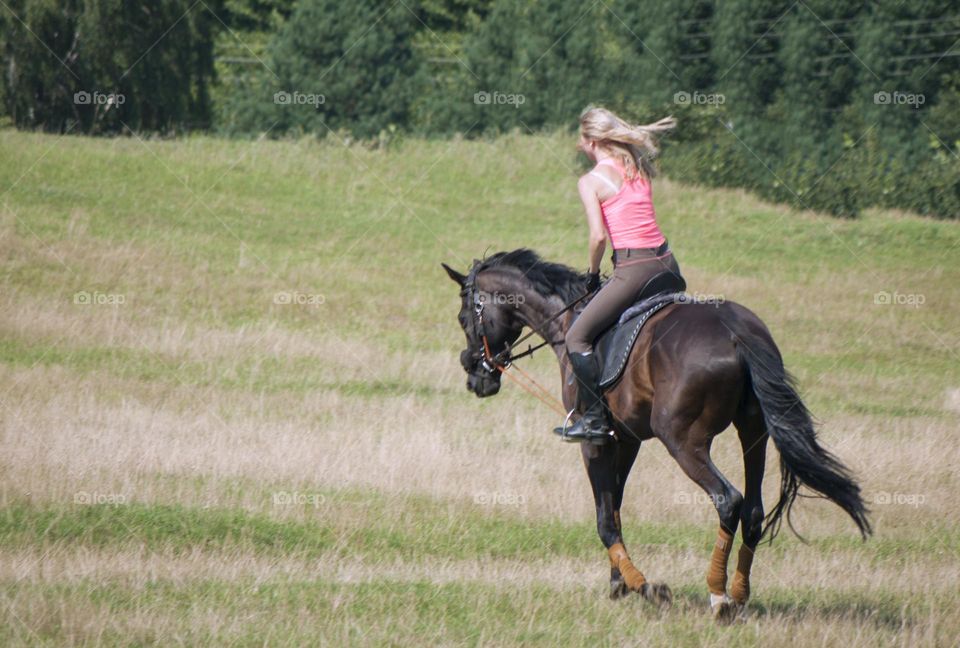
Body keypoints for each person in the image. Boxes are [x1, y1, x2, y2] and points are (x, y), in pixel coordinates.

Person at [555, 106, 682, 443]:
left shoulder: (591, 182)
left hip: (634, 271)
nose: (581, 146)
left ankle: (595, 418)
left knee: (577, 338)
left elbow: (598, 237)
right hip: (668, 267)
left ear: (593, 140)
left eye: (583, 140)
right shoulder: (638, 167)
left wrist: (594, 274)